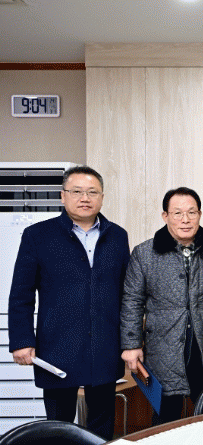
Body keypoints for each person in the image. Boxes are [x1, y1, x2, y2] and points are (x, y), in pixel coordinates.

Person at [8, 166, 130, 440]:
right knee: (59, 427)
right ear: (63, 196)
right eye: (77, 191)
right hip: (57, 348)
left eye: (92, 192)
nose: (85, 198)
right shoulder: (37, 235)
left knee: (101, 427)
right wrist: (21, 340)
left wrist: (131, 341)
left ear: (102, 198)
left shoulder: (118, 236)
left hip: (105, 345)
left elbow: (127, 294)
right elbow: (21, 294)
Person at [120, 187, 203, 424]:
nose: (185, 219)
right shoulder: (144, 253)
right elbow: (132, 301)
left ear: (200, 215)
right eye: (177, 213)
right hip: (163, 347)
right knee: (166, 417)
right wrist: (131, 344)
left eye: (192, 212)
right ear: (165, 216)